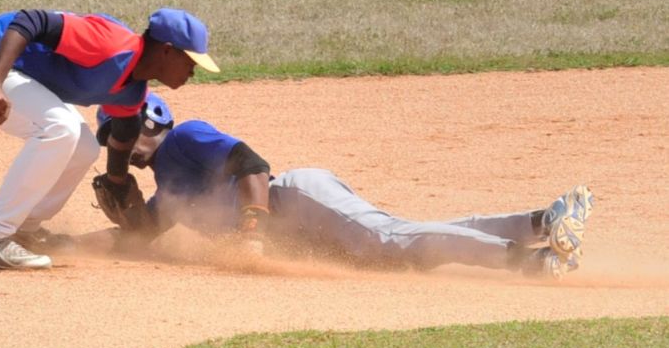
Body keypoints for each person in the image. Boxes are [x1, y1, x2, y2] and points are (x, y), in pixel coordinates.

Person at [94, 94, 594, 279]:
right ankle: (539, 224)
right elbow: (140, 237)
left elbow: (253, 163)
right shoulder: (168, 191)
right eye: (111, 138)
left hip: (299, 199)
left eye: (122, 130)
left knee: (395, 242)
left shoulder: (185, 138)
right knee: (402, 243)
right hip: (306, 222)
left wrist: (251, 226)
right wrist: (68, 240)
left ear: (153, 118)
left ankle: (530, 261)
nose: (118, 144)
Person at [0, 7, 219, 269]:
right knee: (60, 128)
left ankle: (23, 229)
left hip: (5, 69)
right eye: (190, 61)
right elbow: (30, 21)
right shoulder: (111, 44)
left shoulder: (132, 91)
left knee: (84, 147)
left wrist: (117, 183)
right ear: (167, 51)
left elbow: (124, 132)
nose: (193, 71)